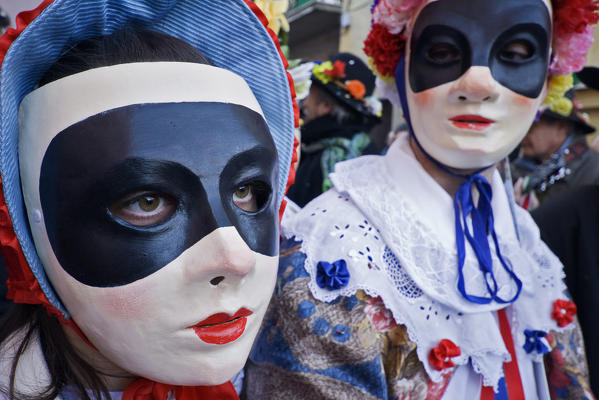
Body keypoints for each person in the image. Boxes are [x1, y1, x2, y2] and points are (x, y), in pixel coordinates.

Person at [245, 0, 597, 399]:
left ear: (548, 81)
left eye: (515, 55)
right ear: (400, 65)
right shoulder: (336, 251)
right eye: (444, 52)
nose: (479, 84)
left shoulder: (526, 244)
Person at [0, 1, 296, 399]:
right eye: (148, 201)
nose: (236, 260)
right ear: (31, 230)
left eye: (246, 193)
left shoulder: (272, 369)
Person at [286, 53, 381, 207]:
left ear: (325, 106)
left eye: (309, 95)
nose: (304, 103)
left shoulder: (334, 159)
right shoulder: (365, 150)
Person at [512, 89, 599, 209]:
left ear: (561, 127)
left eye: (532, 126)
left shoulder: (593, 172)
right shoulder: (514, 170)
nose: (523, 134)